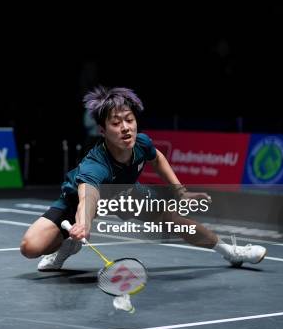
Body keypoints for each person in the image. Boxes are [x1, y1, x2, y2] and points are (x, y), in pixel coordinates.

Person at [20, 86, 266, 269]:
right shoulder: (95, 164)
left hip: (125, 194)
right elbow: (88, 194)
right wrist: (83, 221)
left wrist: (181, 191)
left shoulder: (141, 144)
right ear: (103, 131)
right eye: (116, 123)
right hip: (78, 202)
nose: (126, 128)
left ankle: (231, 251)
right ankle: (66, 246)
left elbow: (157, 157)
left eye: (129, 120)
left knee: (174, 220)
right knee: (30, 248)